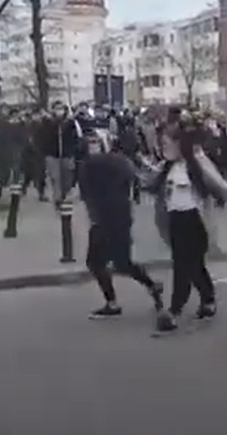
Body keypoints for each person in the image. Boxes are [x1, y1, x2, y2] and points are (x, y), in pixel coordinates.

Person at [147, 109, 227, 334]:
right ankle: (208, 299)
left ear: (181, 144)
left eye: (167, 144)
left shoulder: (197, 163)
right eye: (161, 144)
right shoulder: (167, 167)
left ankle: (174, 311)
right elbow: (152, 185)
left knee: (182, 266)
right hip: (175, 222)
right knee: (194, 266)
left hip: (195, 222)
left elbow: (221, 186)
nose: (163, 148)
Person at [78, 131, 164, 318]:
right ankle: (151, 286)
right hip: (119, 216)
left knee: (98, 262)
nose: (92, 146)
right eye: (90, 142)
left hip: (105, 219)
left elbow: (87, 193)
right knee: (120, 262)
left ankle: (113, 302)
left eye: (95, 142)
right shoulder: (119, 161)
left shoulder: (90, 165)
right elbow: (135, 181)